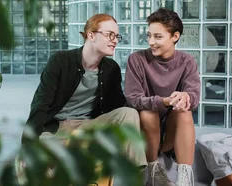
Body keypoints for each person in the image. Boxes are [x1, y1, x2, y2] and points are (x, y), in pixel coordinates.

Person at [23, 13, 147, 170]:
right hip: (58, 128)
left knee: (129, 113)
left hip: (90, 126)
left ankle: (136, 175)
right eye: (110, 35)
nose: (115, 40)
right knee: (41, 163)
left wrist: (149, 103)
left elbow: (118, 106)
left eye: (117, 36)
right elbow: (40, 104)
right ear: (91, 35)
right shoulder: (61, 61)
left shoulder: (111, 68)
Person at [124, 8, 200, 186]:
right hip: (145, 132)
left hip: (172, 134)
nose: (151, 42)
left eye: (158, 37)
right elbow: (133, 98)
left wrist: (185, 96)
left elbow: (194, 97)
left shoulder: (187, 61)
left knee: (184, 110)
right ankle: (153, 171)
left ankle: (184, 179)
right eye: (149, 35)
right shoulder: (137, 59)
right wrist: (163, 101)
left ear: (175, 36)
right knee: (147, 113)